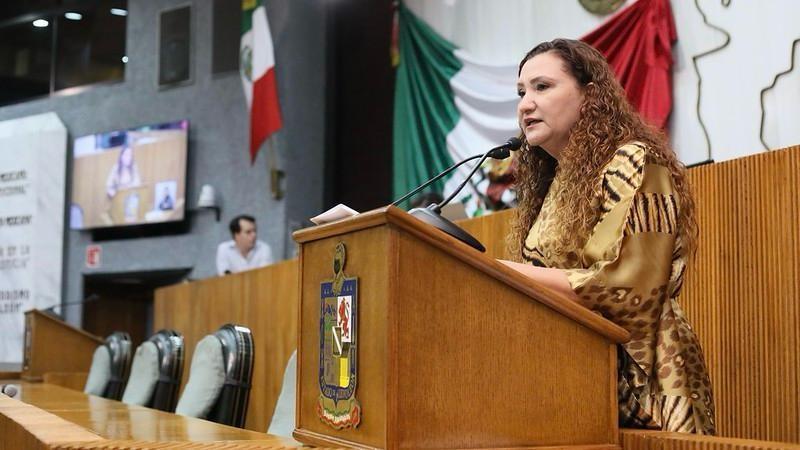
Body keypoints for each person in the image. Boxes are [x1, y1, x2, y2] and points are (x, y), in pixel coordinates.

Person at [499, 39, 716, 434]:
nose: (525, 104)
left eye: (542, 87)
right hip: (576, 376)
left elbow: (630, 286)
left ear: (589, 95)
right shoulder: (555, 184)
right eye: (521, 92)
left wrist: (503, 273)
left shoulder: (635, 160)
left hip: (649, 380)